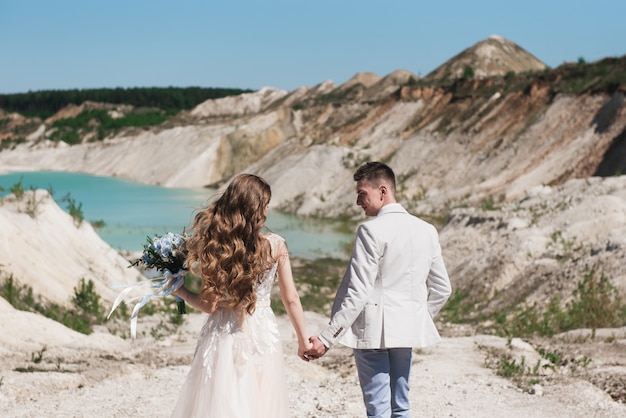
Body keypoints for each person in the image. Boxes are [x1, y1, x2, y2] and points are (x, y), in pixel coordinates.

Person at [306, 162, 452, 418]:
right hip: (405, 333)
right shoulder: (427, 230)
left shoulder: (370, 231)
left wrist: (328, 338)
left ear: (382, 191)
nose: (357, 202)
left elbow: (359, 292)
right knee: (401, 407)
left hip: (373, 333)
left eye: (362, 194)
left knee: (379, 411)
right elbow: (442, 289)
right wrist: (418, 318)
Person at [170, 173, 312, 418]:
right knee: (261, 401)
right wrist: (303, 340)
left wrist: (180, 291)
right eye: (265, 205)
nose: (267, 211)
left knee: (222, 401)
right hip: (262, 334)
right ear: (255, 208)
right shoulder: (276, 245)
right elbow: (291, 299)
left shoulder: (214, 247)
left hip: (224, 334)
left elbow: (208, 305)